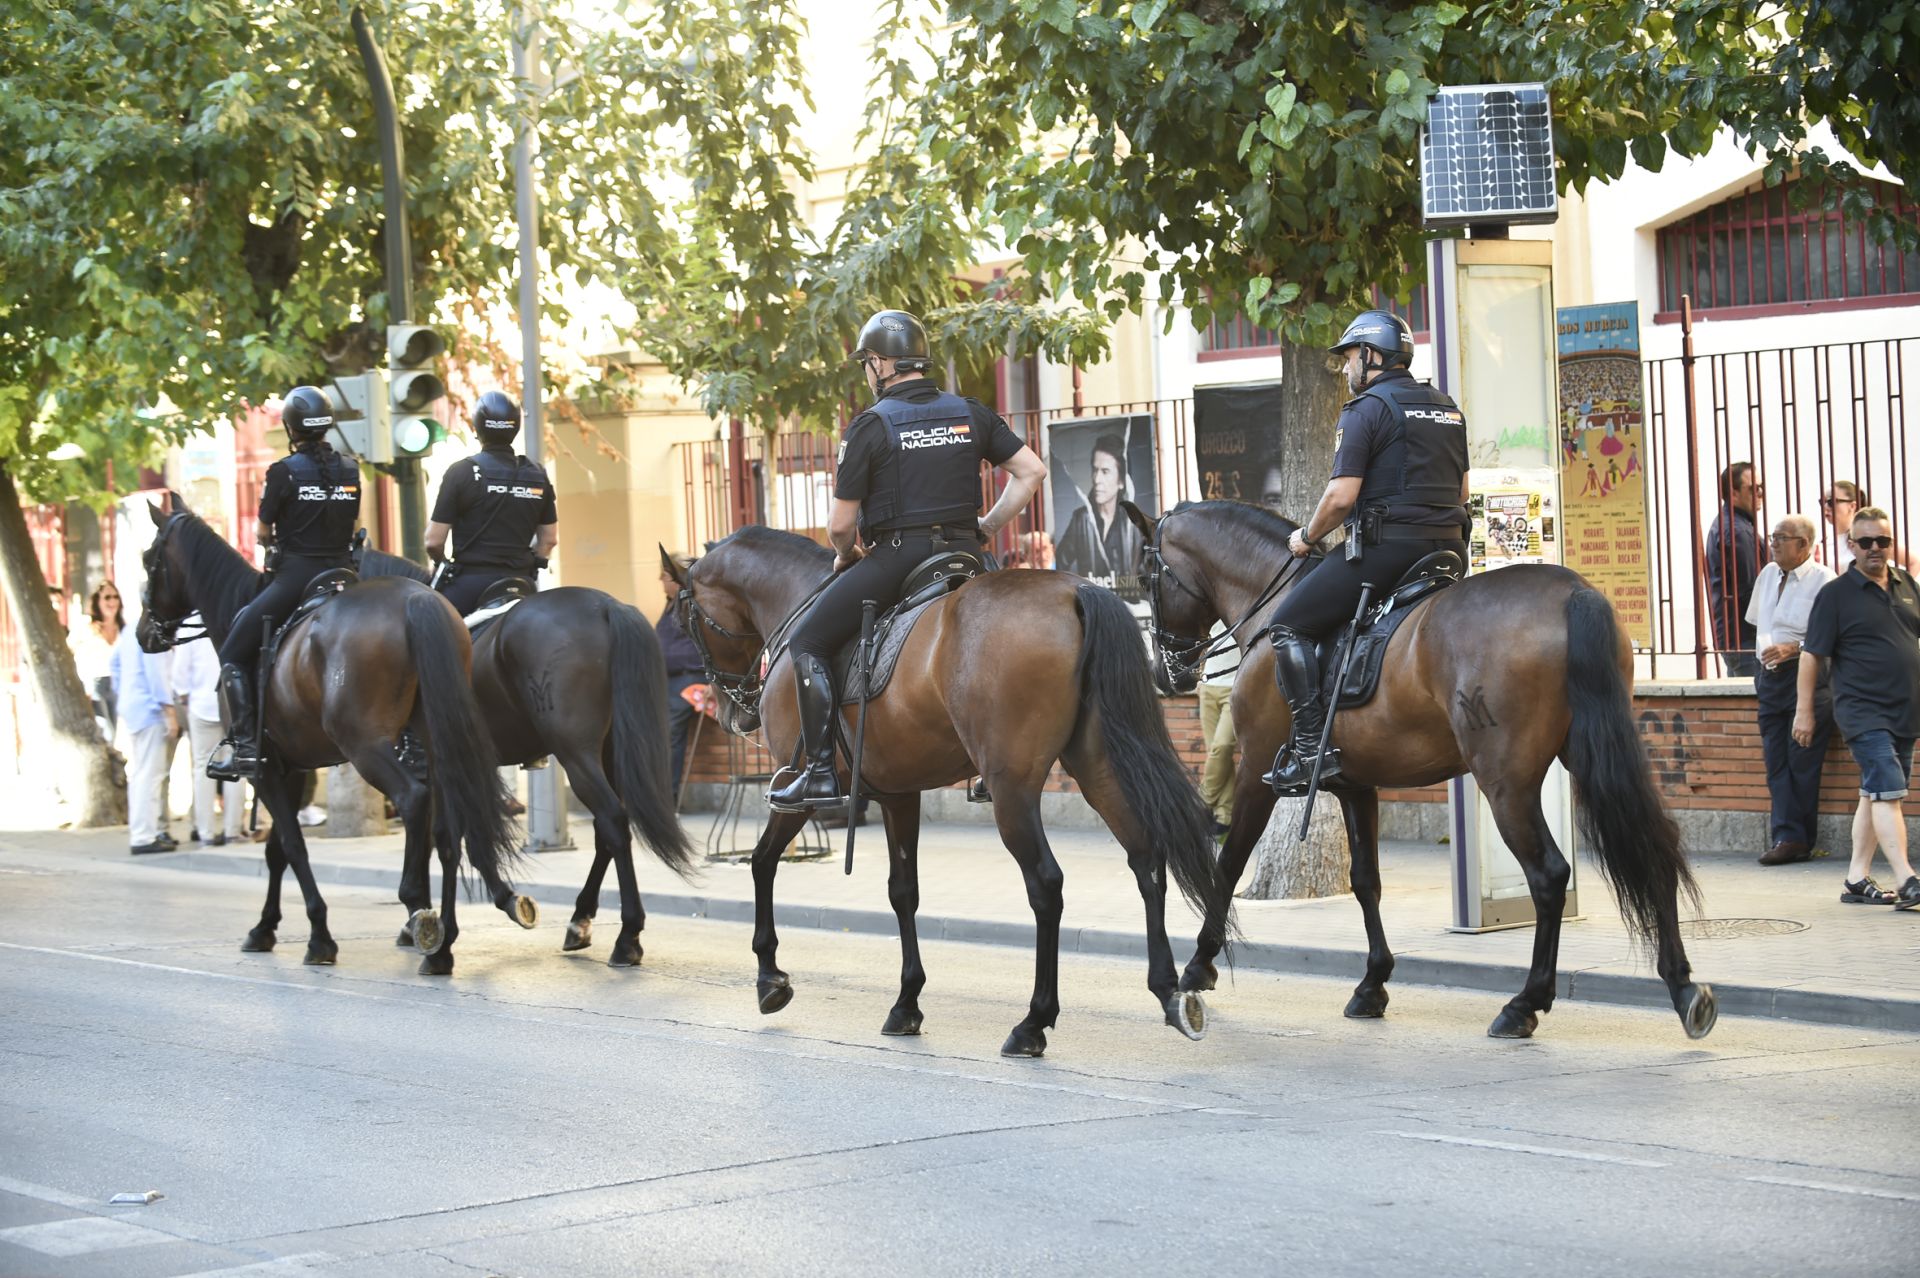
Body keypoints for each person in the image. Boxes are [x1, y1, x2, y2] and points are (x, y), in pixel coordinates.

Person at [768, 308, 1048, 811]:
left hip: (900, 556)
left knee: (806, 638)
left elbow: (838, 526)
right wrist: (986, 528)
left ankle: (819, 772)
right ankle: (995, 760)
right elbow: (1030, 472)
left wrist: (846, 554)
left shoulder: (870, 426)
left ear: (879, 363)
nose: (866, 372)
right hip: (967, 556)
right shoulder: (971, 411)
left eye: (865, 364)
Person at [1263, 308, 1469, 795]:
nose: (1347, 366)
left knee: (1286, 624)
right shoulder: (1446, 406)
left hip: (1388, 550)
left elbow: (1340, 497)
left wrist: (1307, 538)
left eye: (1351, 356)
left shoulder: (1367, 409)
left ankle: (1311, 747)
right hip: (1449, 553)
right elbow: (1461, 491)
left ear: (1373, 355)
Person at [209, 386, 362, 780]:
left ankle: (243, 744)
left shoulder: (283, 472)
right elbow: (356, 525)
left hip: (297, 578)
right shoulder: (350, 467)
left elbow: (263, 531)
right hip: (345, 577)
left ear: (292, 428)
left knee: (232, 653)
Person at [1795, 507, 1920, 909]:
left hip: (1905, 709)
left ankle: (1855, 878)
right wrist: (1804, 711)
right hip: (1862, 710)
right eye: (1865, 542)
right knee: (1887, 786)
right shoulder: (1835, 595)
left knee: (1875, 791)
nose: (1874, 549)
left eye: (1882, 541)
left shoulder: (1906, 584)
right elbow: (1811, 655)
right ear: (1851, 545)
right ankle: (1907, 878)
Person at [1745, 514, 1834, 865]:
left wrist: (1792, 648)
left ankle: (1797, 839)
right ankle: (1786, 834)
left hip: (1806, 675)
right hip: (1768, 675)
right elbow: (1758, 622)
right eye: (1774, 536)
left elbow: (1830, 635)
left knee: (1802, 760)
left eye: (1782, 537)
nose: (1774, 543)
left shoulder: (1824, 580)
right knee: (1775, 761)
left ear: (1805, 545)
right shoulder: (1768, 574)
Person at [427, 391, 558, 615]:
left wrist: (443, 564)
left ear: (477, 428)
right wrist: (533, 566)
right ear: (515, 427)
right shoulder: (537, 475)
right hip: (521, 584)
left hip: (470, 585)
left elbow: (433, 541)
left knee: (429, 631)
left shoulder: (462, 472)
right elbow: (548, 540)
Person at [171, 623, 245, 847]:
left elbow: (179, 673)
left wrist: (184, 697)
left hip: (202, 704)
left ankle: (205, 832)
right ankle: (232, 830)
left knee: (203, 768)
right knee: (236, 766)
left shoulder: (189, 627)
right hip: (232, 703)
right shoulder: (231, 617)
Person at [110, 620, 177, 854]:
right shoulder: (151, 629)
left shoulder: (130, 629)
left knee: (142, 774)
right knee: (150, 774)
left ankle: (144, 832)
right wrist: (169, 710)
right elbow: (156, 672)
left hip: (134, 707)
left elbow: (115, 664)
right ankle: (144, 836)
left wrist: (125, 692)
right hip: (150, 710)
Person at [1704, 461, 1766, 676]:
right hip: (1746, 638)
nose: (1760, 493)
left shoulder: (1731, 524)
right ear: (1734, 492)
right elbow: (1752, 589)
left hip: (1737, 637)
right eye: (1753, 488)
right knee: (1755, 703)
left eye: (1761, 487)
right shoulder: (1738, 531)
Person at [1053, 434, 1144, 580]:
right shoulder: (1081, 519)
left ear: (1121, 481)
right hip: (1091, 601)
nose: (1096, 479)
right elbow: (1059, 564)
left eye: (1105, 471)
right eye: (1095, 470)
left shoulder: (1133, 522)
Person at [656, 558, 705, 800]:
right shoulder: (669, 605)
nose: (660, 581)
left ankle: (668, 794)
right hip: (668, 679)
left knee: (670, 730)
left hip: (689, 677)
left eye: (664, 576)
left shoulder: (689, 604)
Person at [1819, 480, 1917, 573]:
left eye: (1831, 502)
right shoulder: (1823, 543)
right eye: (1822, 502)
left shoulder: (1870, 538)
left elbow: (1914, 563)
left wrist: (1902, 589)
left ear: (1852, 506)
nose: (1826, 507)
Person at [70, 580, 124, 743]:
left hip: (118, 684)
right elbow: (68, 651)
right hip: (95, 684)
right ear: (97, 601)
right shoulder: (85, 626)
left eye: (115, 597)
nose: (112, 601)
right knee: (105, 729)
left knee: (114, 731)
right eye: (107, 597)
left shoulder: (123, 628)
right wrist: (81, 685)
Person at [1197, 625, 1237, 834]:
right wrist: (1201, 676)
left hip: (1236, 686)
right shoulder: (1209, 606)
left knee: (1222, 746)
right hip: (1208, 686)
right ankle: (1224, 815)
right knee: (1217, 751)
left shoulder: (1247, 603)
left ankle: (1202, 801)